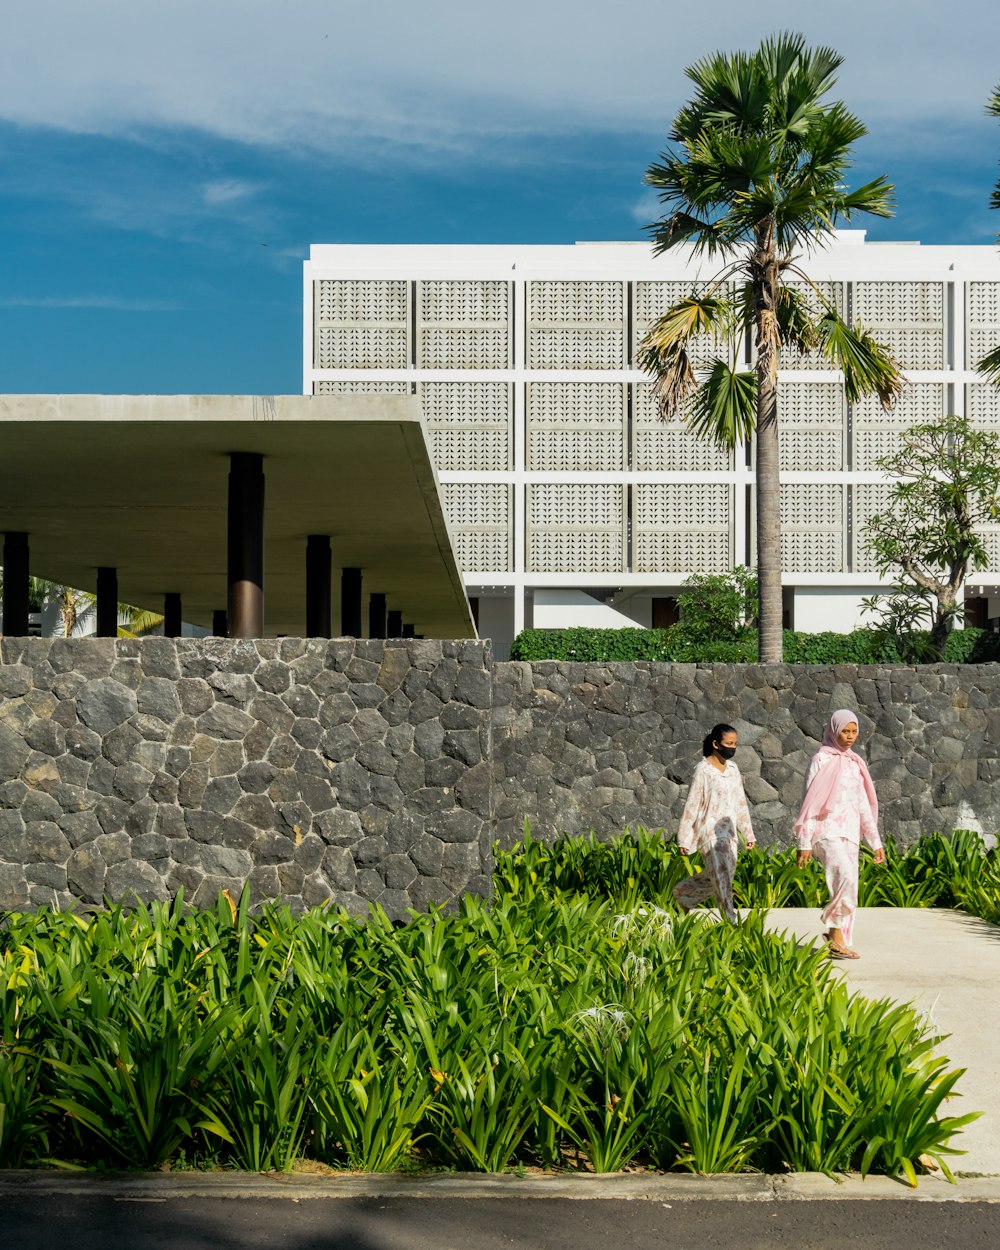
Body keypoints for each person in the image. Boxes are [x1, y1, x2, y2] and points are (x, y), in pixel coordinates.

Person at [795, 709, 885, 960]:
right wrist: (803, 843)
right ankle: (833, 930)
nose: (850, 736)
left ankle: (837, 938)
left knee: (849, 886)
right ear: (834, 730)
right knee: (845, 875)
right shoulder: (820, 760)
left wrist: (875, 841)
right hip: (825, 832)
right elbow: (809, 802)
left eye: (854, 731)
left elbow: (863, 806)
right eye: (845, 731)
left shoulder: (856, 763)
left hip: (850, 835)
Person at [673, 723, 756, 923]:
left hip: (730, 834)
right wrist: (684, 838)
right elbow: (692, 803)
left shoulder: (734, 770)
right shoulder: (703, 770)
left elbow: (740, 803)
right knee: (722, 877)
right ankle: (731, 922)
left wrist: (748, 833)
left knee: (723, 875)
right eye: (729, 743)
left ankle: (683, 894)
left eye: (735, 743)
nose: (733, 747)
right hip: (709, 833)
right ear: (716, 744)